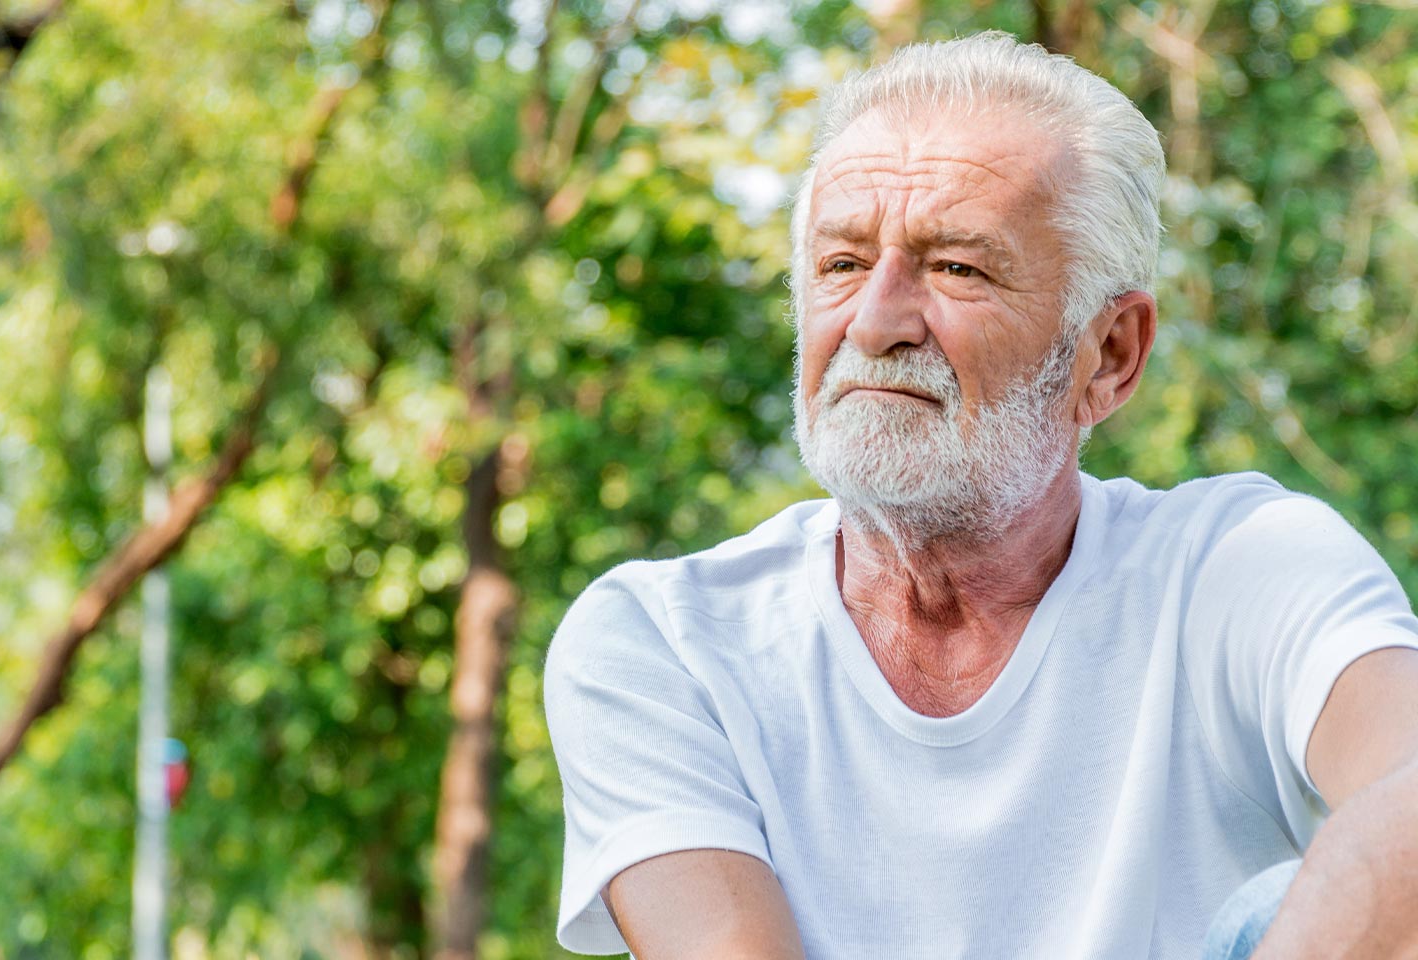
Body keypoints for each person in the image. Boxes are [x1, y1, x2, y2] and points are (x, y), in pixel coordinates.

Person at [543, 32, 1418, 959]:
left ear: (1109, 354)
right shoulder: (662, 642)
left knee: (1285, 902)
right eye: (840, 265)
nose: (874, 323)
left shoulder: (1240, 566)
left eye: (958, 267)